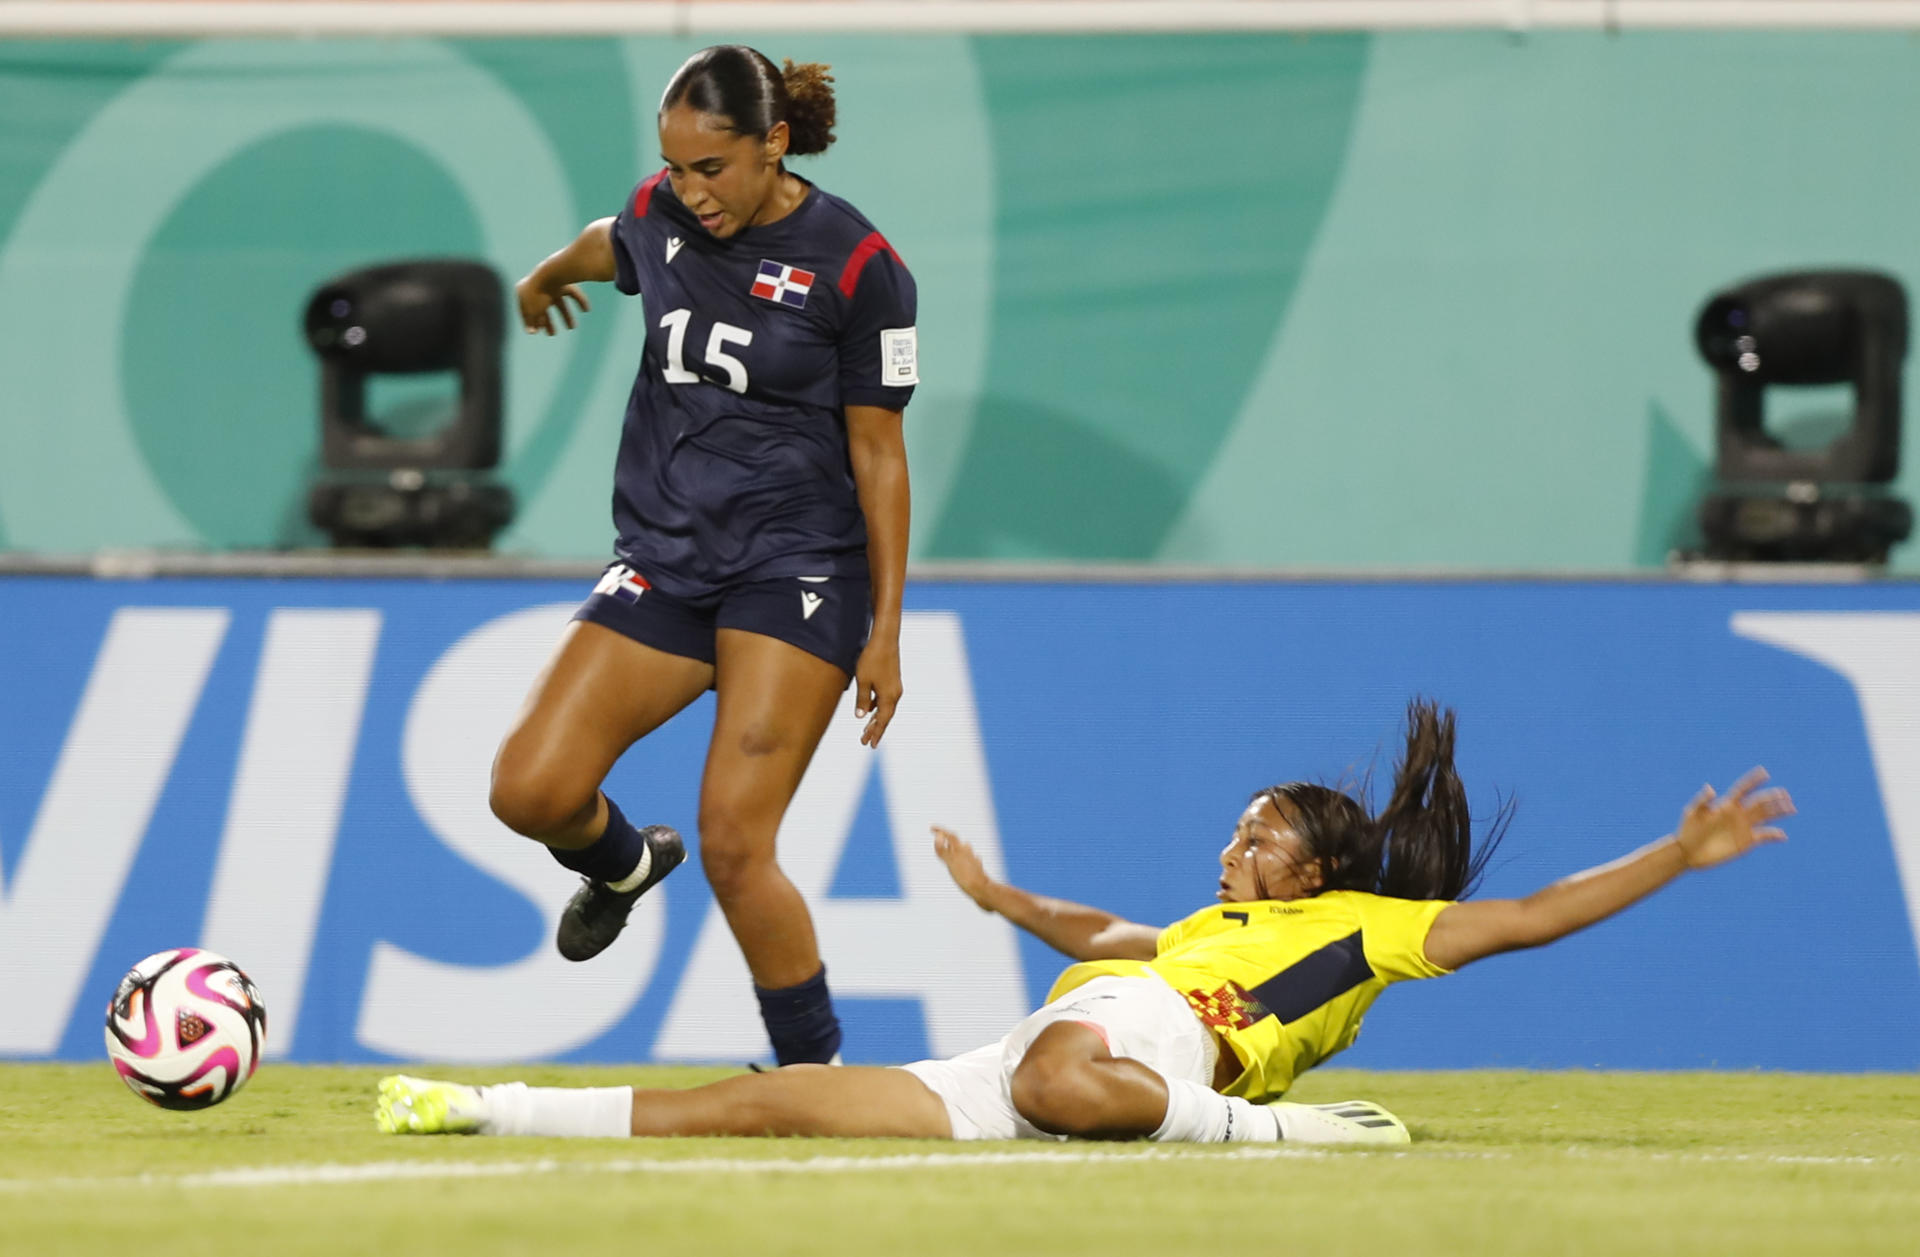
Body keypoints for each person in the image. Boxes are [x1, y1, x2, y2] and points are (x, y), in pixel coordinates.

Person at [377, 701, 1794, 1145]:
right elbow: (1104, 928)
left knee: (1067, 1072)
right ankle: (479, 1109)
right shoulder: (1196, 928)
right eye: (1239, 825)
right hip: (1058, 1048)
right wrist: (1001, 899)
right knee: (777, 1104)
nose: (1236, 842)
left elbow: (1533, 916)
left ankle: (1295, 1138)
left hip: (1148, 1057)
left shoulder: (1368, 929)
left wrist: (1674, 852)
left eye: (1262, 834)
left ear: (1318, 873)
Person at [487, 46, 918, 1066]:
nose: (689, 191)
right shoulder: (662, 212)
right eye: (674, 169)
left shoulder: (860, 268)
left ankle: (813, 1078)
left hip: (800, 571)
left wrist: (887, 629)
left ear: (774, 143)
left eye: (710, 169)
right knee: (530, 793)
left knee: (735, 840)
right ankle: (626, 867)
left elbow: (880, 456)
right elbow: (616, 238)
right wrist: (545, 273)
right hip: (669, 555)